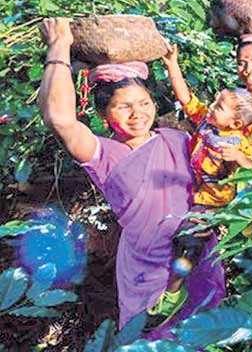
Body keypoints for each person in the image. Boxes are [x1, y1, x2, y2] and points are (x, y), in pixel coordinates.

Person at [38, 18, 226, 334]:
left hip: (196, 252)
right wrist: (59, 46)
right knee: (150, 335)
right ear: (103, 114)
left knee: (206, 332)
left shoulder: (177, 140)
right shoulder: (103, 154)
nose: (137, 114)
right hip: (148, 268)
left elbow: (212, 182)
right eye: (123, 107)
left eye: (143, 103)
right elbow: (59, 117)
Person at [162, 44, 252, 209]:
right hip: (192, 183)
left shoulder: (237, 142)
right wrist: (172, 65)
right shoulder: (206, 118)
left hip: (213, 199)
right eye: (215, 101)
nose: (212, 106)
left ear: (235, 124)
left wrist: (238, 157)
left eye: (219, 107)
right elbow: (185, 99)